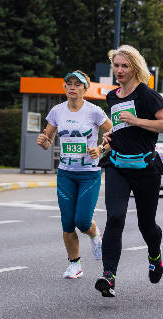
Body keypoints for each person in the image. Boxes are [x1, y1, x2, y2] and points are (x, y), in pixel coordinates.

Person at [95, 45, 163, 298]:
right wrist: (110, 135)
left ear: (135, 68)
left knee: (146, 224)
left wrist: (137, 120)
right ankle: (109, 276)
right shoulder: (113, 96)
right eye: (116, 66)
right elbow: (120, 126)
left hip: (145, 167)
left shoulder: (146, 95)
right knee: (115, 217)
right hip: (118, 163)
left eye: (124, 66)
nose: (119, 70)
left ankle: (154, 254)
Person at [36, 70, 112, 279]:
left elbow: (113, 135)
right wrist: (44, 143)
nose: (72, 87)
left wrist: (101, 149)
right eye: (69, 84)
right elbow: (48, 138)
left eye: (77, 85)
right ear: (64, 88)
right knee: (67, 221)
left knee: (82, 221)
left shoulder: (94, 111)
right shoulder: (57, 112)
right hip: (66, 174)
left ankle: (95, 234)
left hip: (89, 174)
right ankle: (74, 264)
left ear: (85, 89)